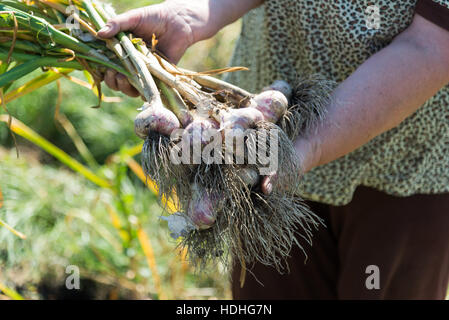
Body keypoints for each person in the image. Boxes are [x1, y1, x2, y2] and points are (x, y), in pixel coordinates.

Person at [98, 0, 449, 299]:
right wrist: (191, 16)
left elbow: (433, 43)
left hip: (400, 161)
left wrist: (306, 143)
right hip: (257, 148)